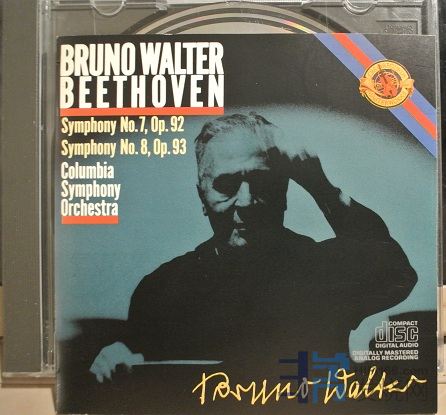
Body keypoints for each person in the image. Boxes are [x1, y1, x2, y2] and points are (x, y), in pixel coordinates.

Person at [89, 113, 417, 383]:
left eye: (264, 185)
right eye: (227, 185)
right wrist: (118, 356)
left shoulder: (325, 268)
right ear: (202, 197)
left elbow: (395, 271)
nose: (246, 202)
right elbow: (141, 367)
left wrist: (319, 184)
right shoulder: (161, 288)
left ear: (284, 193)